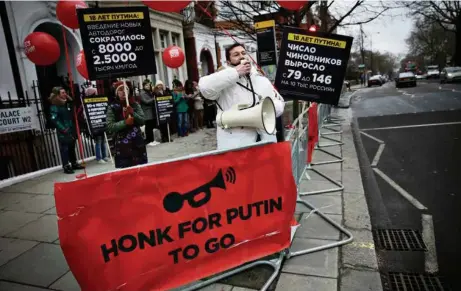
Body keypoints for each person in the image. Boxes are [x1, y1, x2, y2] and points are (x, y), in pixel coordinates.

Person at [198, 42, 285, 150]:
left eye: (243, 53)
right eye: (236, 54)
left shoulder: (261, 79)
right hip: (235, 143)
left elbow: (279, 102)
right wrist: (236, 72)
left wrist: (267, 110)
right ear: (228, 61)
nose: (241, 56)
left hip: (265, 141)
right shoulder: (223, 81)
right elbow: (204, 87)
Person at [106, 81, 147, 169]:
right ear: (116, 93)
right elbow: (110, 126)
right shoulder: (112, 107)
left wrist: (133, 113)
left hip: (138, 144)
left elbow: (142, 120)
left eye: (126, 89)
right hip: (122, 147)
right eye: (120, 90)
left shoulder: (135, 104)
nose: (124, 91)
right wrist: (125, 123)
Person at [49, 87, 85, 174]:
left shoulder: (67, 104)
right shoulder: (55, 106)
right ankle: (66, 166)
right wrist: (63, 128)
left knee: (72, 147)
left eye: (65, 92)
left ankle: (74, 163)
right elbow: (54, 119)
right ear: (57, 95)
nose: (65, 94)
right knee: (64, 149)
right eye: (63, 93)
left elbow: (73, 111)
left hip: (71, 129)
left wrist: (70, 99)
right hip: (63, 131)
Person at [84, 87, 110, 164]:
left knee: (103, 141)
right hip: (95, 125)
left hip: (101, 124)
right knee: (98, 141)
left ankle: (104, 156)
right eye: (95, 93)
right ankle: (99, 158)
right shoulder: (87, 103)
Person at [139, 79, 158, 146]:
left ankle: (152, 140)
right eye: (146, 85)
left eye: (149, 85)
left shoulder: (149, 92)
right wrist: (154, 99)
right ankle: (149, 140)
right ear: (143, 86)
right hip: (146, 112)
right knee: (148, 127)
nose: (148, 86)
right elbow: (146, 101)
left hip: (150, 112)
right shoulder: (142, 93)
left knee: (151, 126)